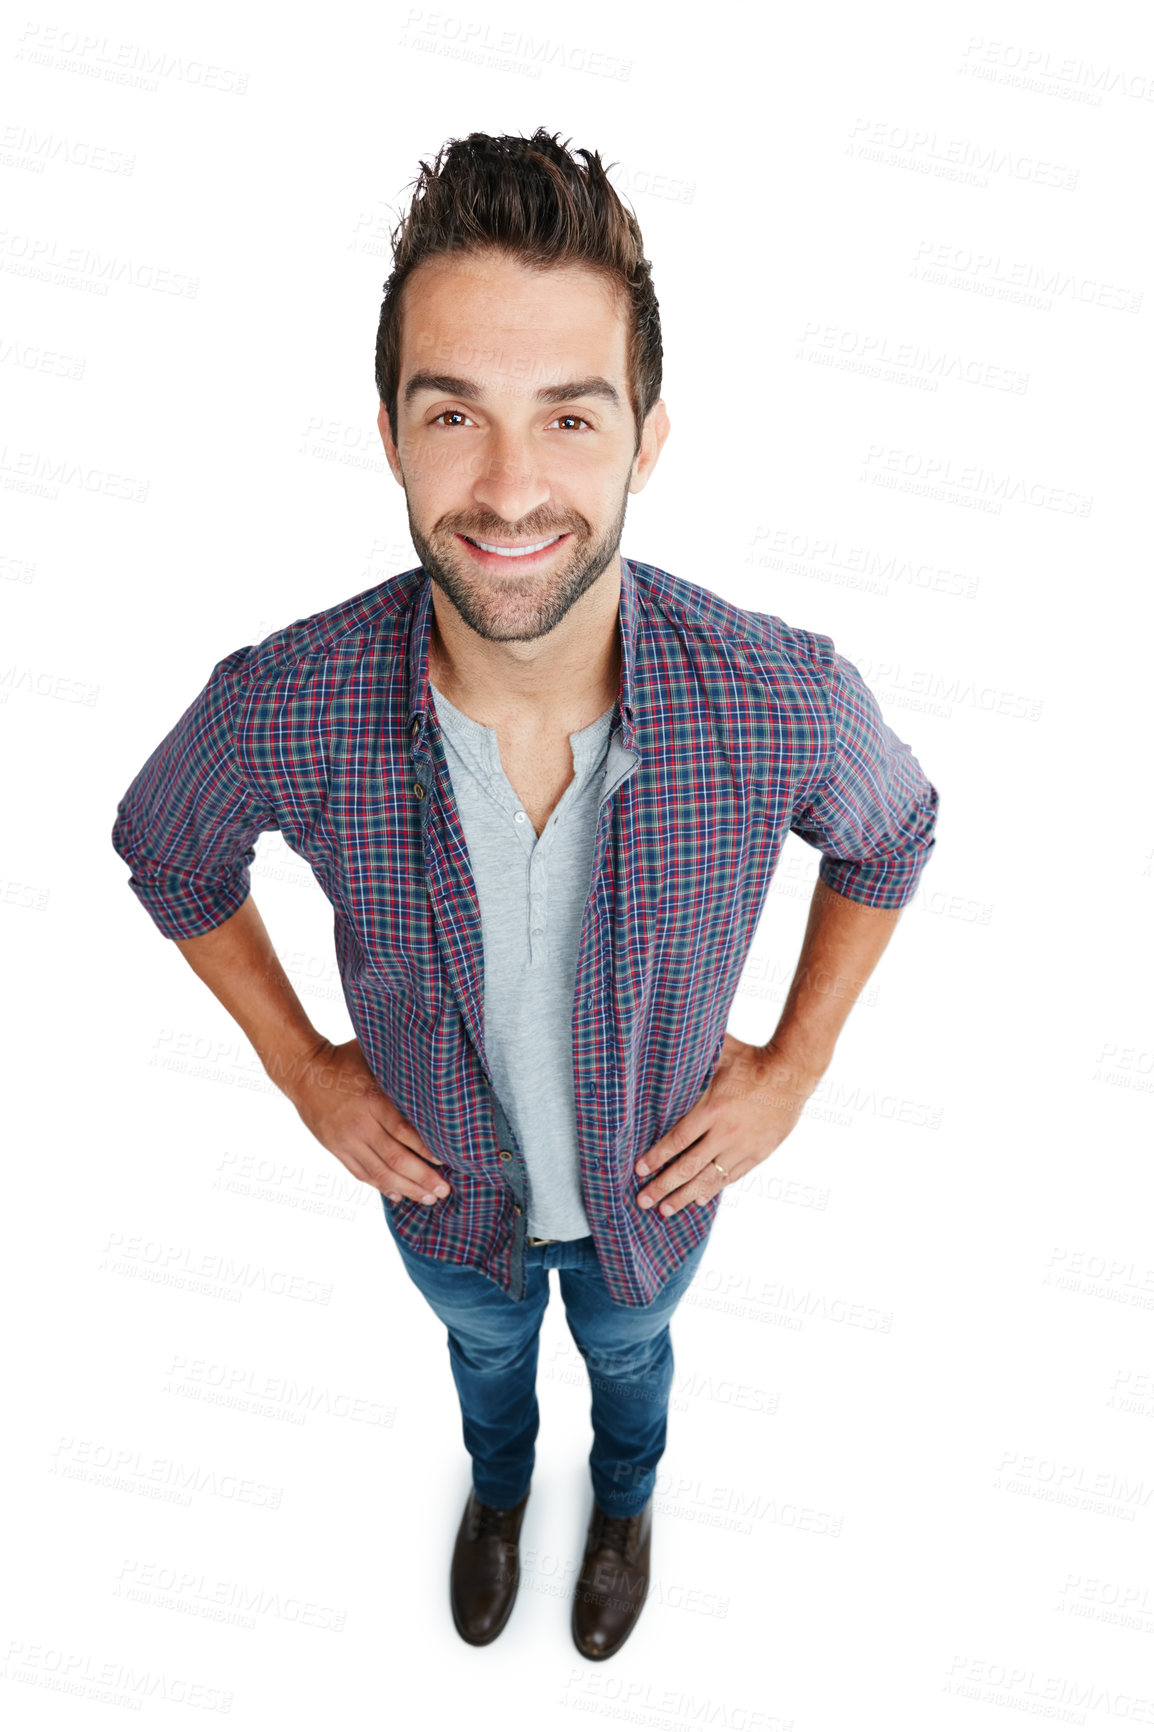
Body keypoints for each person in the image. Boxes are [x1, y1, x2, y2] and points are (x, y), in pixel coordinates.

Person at [111, 128, 939, 1660]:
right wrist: (302, 1070)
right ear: (390, 434)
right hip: (448, 1214)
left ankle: (622, 1504)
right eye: (453, 413)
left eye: (568, 415)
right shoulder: (281, 704)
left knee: (632, 1371)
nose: (506, 487)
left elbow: (888, 835)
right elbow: (165, 847)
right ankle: (499, 1492)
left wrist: (797, 1064)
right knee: (487, 1368)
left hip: (650, 1212)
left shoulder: (778, 699)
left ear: (646, 434)